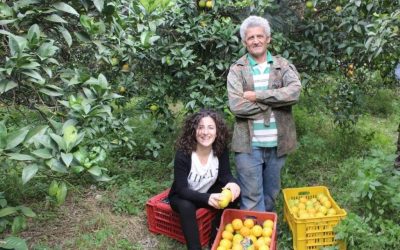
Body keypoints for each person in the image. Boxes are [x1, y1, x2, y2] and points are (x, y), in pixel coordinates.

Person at [227, 16, 301, 212]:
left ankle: (267, 234)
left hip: (278, 143)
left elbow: (294, 92)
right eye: (251, 37)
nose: (256, 41)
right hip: (248, 145)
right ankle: (253, 238)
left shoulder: (281, 65)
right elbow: (236, 105)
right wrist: (273, 104)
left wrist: (257, 96)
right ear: (244, 42)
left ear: (268, 39)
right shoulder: (237, 69)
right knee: (251, 196)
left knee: (270, 193)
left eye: (260, 36)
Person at [168, 109, 241, 250]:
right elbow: (182, 189)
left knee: (235, 193)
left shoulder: (219, 149)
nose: (205, 132)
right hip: (184, 196)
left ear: (217, 131)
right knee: (186, 206)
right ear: (193, 131)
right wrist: (207, 198)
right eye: (200, 127)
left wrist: (233, 183)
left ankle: (216, 234)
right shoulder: (184, 153)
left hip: (207, 190)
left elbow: (225, 175)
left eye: (210, 127)